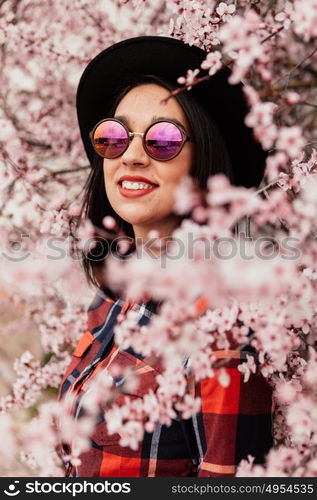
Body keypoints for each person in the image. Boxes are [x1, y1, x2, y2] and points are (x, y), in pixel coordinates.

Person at [58, 36, 274, 477]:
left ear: (205, 164)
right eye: (114, 136)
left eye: (163, 139)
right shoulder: (109, 303)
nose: (132, 155)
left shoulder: (221, 318)